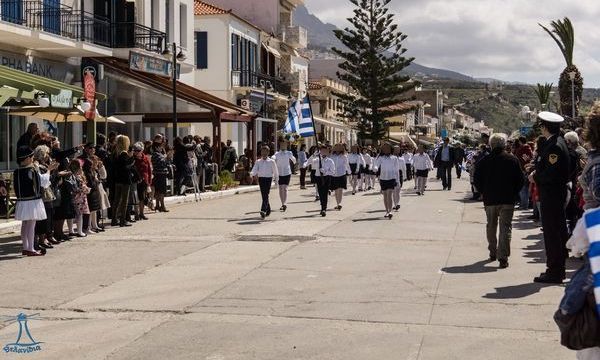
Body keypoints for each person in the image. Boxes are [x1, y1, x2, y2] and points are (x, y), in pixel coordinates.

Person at [529, 112, 571, 284]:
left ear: (545, 127)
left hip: (552, 195)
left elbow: (552, 174)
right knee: (557, 232)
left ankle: (554, 271)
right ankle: (557, 269)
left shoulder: (554, 146)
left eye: (541, 126)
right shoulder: (556, 142)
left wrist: (535, 177)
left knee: (552, 234)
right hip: (554, 195)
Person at [474, 134, 523, 268]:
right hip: (507, 199)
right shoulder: (512, 160)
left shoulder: (484, 161)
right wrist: (514, 192)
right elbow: (520, 180)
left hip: (490, 199)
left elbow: (476, 179)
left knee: (491, 225)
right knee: (505, 227)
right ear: (504, 144)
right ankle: (503, 257)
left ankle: (492, 252)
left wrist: (483, 192)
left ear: (491, 144)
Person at [14, 146, 49, 256]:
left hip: (22, 201)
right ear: (27, 158)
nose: (33, 158)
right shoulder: (31, 170)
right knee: (31, 225)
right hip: (32, 201)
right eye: (31, 156)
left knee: (25, 224)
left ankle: (26, 247)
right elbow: (42, 182)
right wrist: (49, 171)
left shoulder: (17, 171)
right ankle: (30, 248)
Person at [111, 135, 134, 227]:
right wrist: (131, 159)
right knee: (124, 201)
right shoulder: (124, 154)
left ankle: (114, 219)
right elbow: (126, 167)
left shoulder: (115, 153)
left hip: (117, 179)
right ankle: (122, 220)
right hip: (125, 180)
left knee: (116, 200)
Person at [251, 146, 278, 219]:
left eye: (265, 151)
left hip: (268, 179)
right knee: (264, 195)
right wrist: (251, 174)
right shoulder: (258, 161)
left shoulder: (272, 161)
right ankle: (268, 209)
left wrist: (276, 181)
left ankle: (263, 210)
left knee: (266, 194)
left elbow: (275, 172)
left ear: (268, 152)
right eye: (262, 151)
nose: (264, 153)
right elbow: (255, 169)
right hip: (261, 179)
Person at [373, 143, 399, 219]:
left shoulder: (394, 158)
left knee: (389, 194)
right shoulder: (381, 157)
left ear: (390, 149)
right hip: (383, 178)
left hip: (391, 178)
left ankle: (390, 211)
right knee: (385, 196)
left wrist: (397, 180)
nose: (386, 150)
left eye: (387, 148)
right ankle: (387, 211)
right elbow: (376, 164)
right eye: (384, 148)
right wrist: (375, 168)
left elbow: (396, 170)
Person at [310, 144, 335, 217]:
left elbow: (333, 172)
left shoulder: (330, 161)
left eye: (325, 151)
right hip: (318, 178)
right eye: (322, 151)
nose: (323, 152)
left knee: (325, 193)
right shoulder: (317, 159)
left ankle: (324, 208)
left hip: (326, 178)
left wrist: (325, 172)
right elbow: (310, 162)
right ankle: (322, 207)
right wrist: (314, 154)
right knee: (320, 193)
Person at [272, 141, 296, 212]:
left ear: (286, 146)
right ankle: (282, 203)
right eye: (281, 144)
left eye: (284, 144)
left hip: (287, 172)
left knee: (285, 188)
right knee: (280, 188)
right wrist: (272, 159)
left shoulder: (289, 153)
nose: (283, 146)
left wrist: (293, 160)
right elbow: (273, 157)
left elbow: (294, 160)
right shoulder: (277, 154)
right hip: (279, 173)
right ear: (280, 145)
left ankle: (284, 203)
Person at [150, 135, 170, 212]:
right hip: (160, 174)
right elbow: (162, 163)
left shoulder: (159, 154)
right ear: (156, 147)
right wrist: (167, 158)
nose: (161, 148)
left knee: (158, 191)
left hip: (160, 174)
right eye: (160, 147)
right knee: (161, 191)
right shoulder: (156, 154)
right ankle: (162, 206)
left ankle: (158, 205)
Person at [133, 142, 152, 220]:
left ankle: (141, 213)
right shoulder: (132, 159)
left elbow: (149, 171)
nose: (137, 152)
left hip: (144, 181)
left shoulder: (145, 158)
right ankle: (136, 214)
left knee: (142, 198)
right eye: (135, 150)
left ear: (142, 150)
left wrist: (149, 182)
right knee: (135, 198)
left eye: (138, 150)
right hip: (135, 181)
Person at [330, 144, 351, 210]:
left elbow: (347, 165)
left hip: (342, 174)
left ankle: (340, 203)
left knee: (340, 189)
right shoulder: (331, 156)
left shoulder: (344, 156)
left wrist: (349, 172)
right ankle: (337, 203)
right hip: (334, 175)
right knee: (336, 190)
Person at [392, 145, 407, 211]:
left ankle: (397, 203)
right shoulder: (391, 158)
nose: (397, 150)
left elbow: (404, 168)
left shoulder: (402, 158)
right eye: (395, 149)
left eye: (398, 149)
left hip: (400, 174)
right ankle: (395, 204)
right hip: (392, 174)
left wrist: (405, 176)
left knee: (398, 191)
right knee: (393, 191)